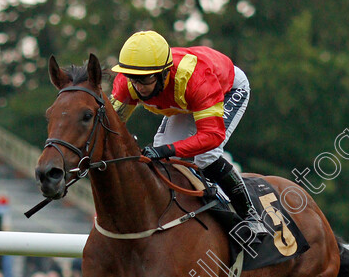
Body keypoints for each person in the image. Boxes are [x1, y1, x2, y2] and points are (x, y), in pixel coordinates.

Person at [110, 30, 268, 237]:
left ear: (164, 73)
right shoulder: (127, 83)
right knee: (166, 158)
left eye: (145, 79)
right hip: (186, 101)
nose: (138, 87)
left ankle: (252, 216)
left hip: (226, 89)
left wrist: (165, 149)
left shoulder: (195, 80)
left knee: (206, 156)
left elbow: (212, 137)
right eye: (133, 79)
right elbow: (109, 128)